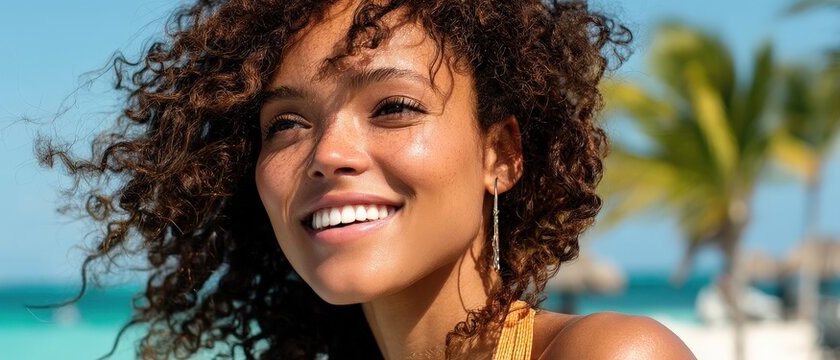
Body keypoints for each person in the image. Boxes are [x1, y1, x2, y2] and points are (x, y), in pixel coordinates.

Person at [40, 0, 696, 358]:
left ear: (499, 154)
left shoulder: (609, 355)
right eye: (287, 124)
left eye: (393, 108)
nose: (328, 153)